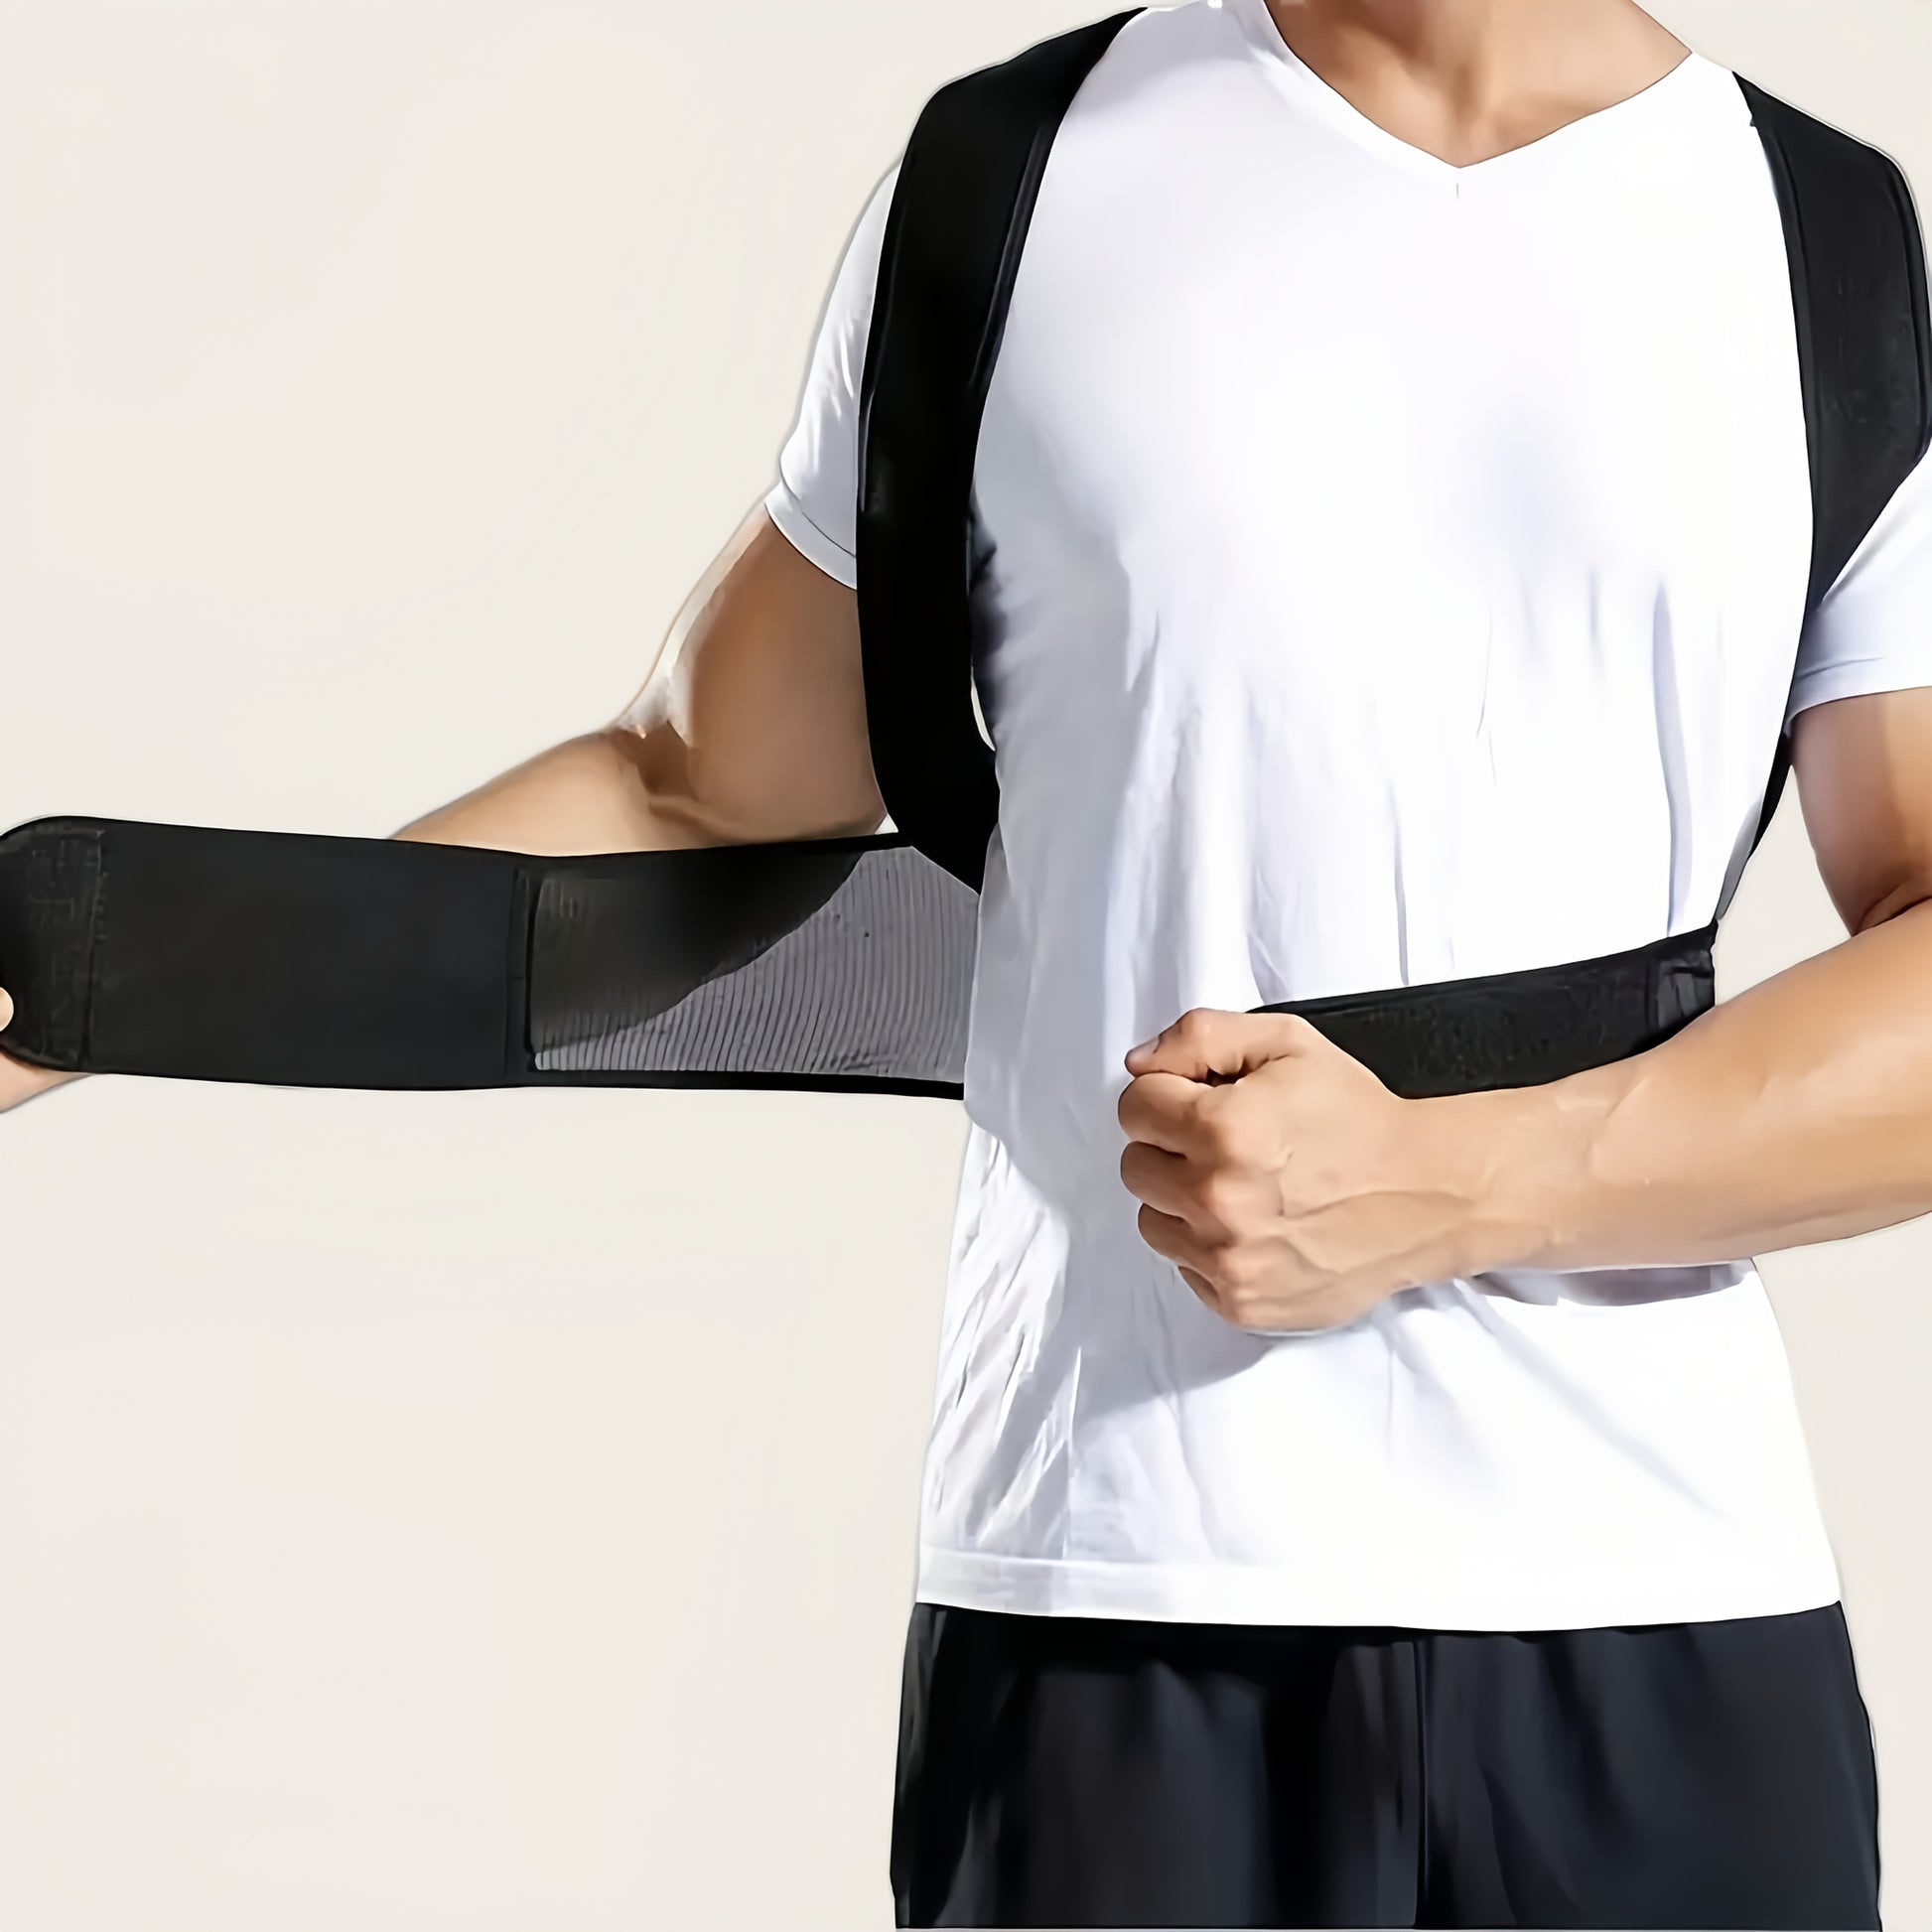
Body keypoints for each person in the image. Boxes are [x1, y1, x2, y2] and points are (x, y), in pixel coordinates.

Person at [5, 0, 1929, 1923]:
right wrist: (93, 977)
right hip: (1110, 1603)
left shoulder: (1814, 236)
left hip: (1665, 1601)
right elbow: (692, 790)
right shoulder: (1019, 179)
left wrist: (1452, 1184)